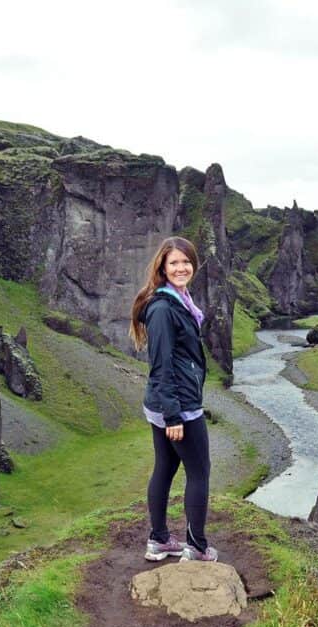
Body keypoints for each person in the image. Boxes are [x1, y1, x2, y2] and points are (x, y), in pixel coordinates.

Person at [129, 236, 218, 562]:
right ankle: (196, 547)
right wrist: (174, 416)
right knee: (199, 472)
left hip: (164, 402)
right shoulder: (165, 307)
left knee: (165, 467)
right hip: (177, 404)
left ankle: (159, 541)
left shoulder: (178, 300)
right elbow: (162, 364)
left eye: (186, 262)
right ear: (163, 268)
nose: (182, 268)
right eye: (174, 263)